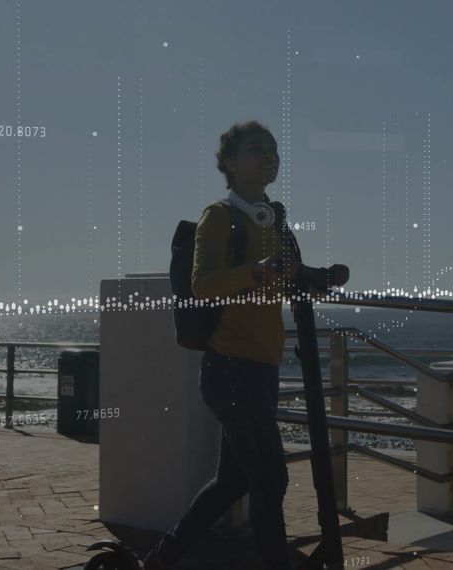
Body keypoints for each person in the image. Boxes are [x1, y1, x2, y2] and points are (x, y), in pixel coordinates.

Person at [144, 120, 300, 570]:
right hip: (230, 366)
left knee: (232, 482)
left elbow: (286, 280)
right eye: (255, 149)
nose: (268, 156)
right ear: (230, 162)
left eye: (273, 150)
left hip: (263, 365)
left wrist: (310, 276)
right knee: (271, 479)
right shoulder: (219, 216)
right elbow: (201, 286)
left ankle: (163, 558)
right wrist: (255, 271)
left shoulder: (274, 216)